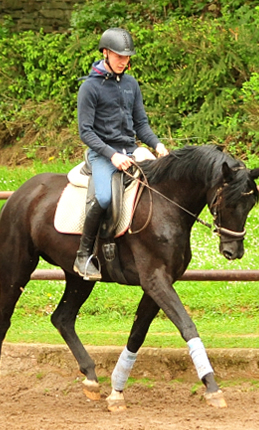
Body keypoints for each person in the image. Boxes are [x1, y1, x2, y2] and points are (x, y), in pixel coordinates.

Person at [73, 27, 169, 281]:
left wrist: (157, 146)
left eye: (127, 57)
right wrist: (112, 155)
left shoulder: (130, 83)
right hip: (102, 154)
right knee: (103, 198)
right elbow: (86, 132)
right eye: (119, 56)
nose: (124, 62)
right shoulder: (89, 88)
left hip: (131, 150)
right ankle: (83, 256)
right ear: (105, 53)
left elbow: (141, 124)